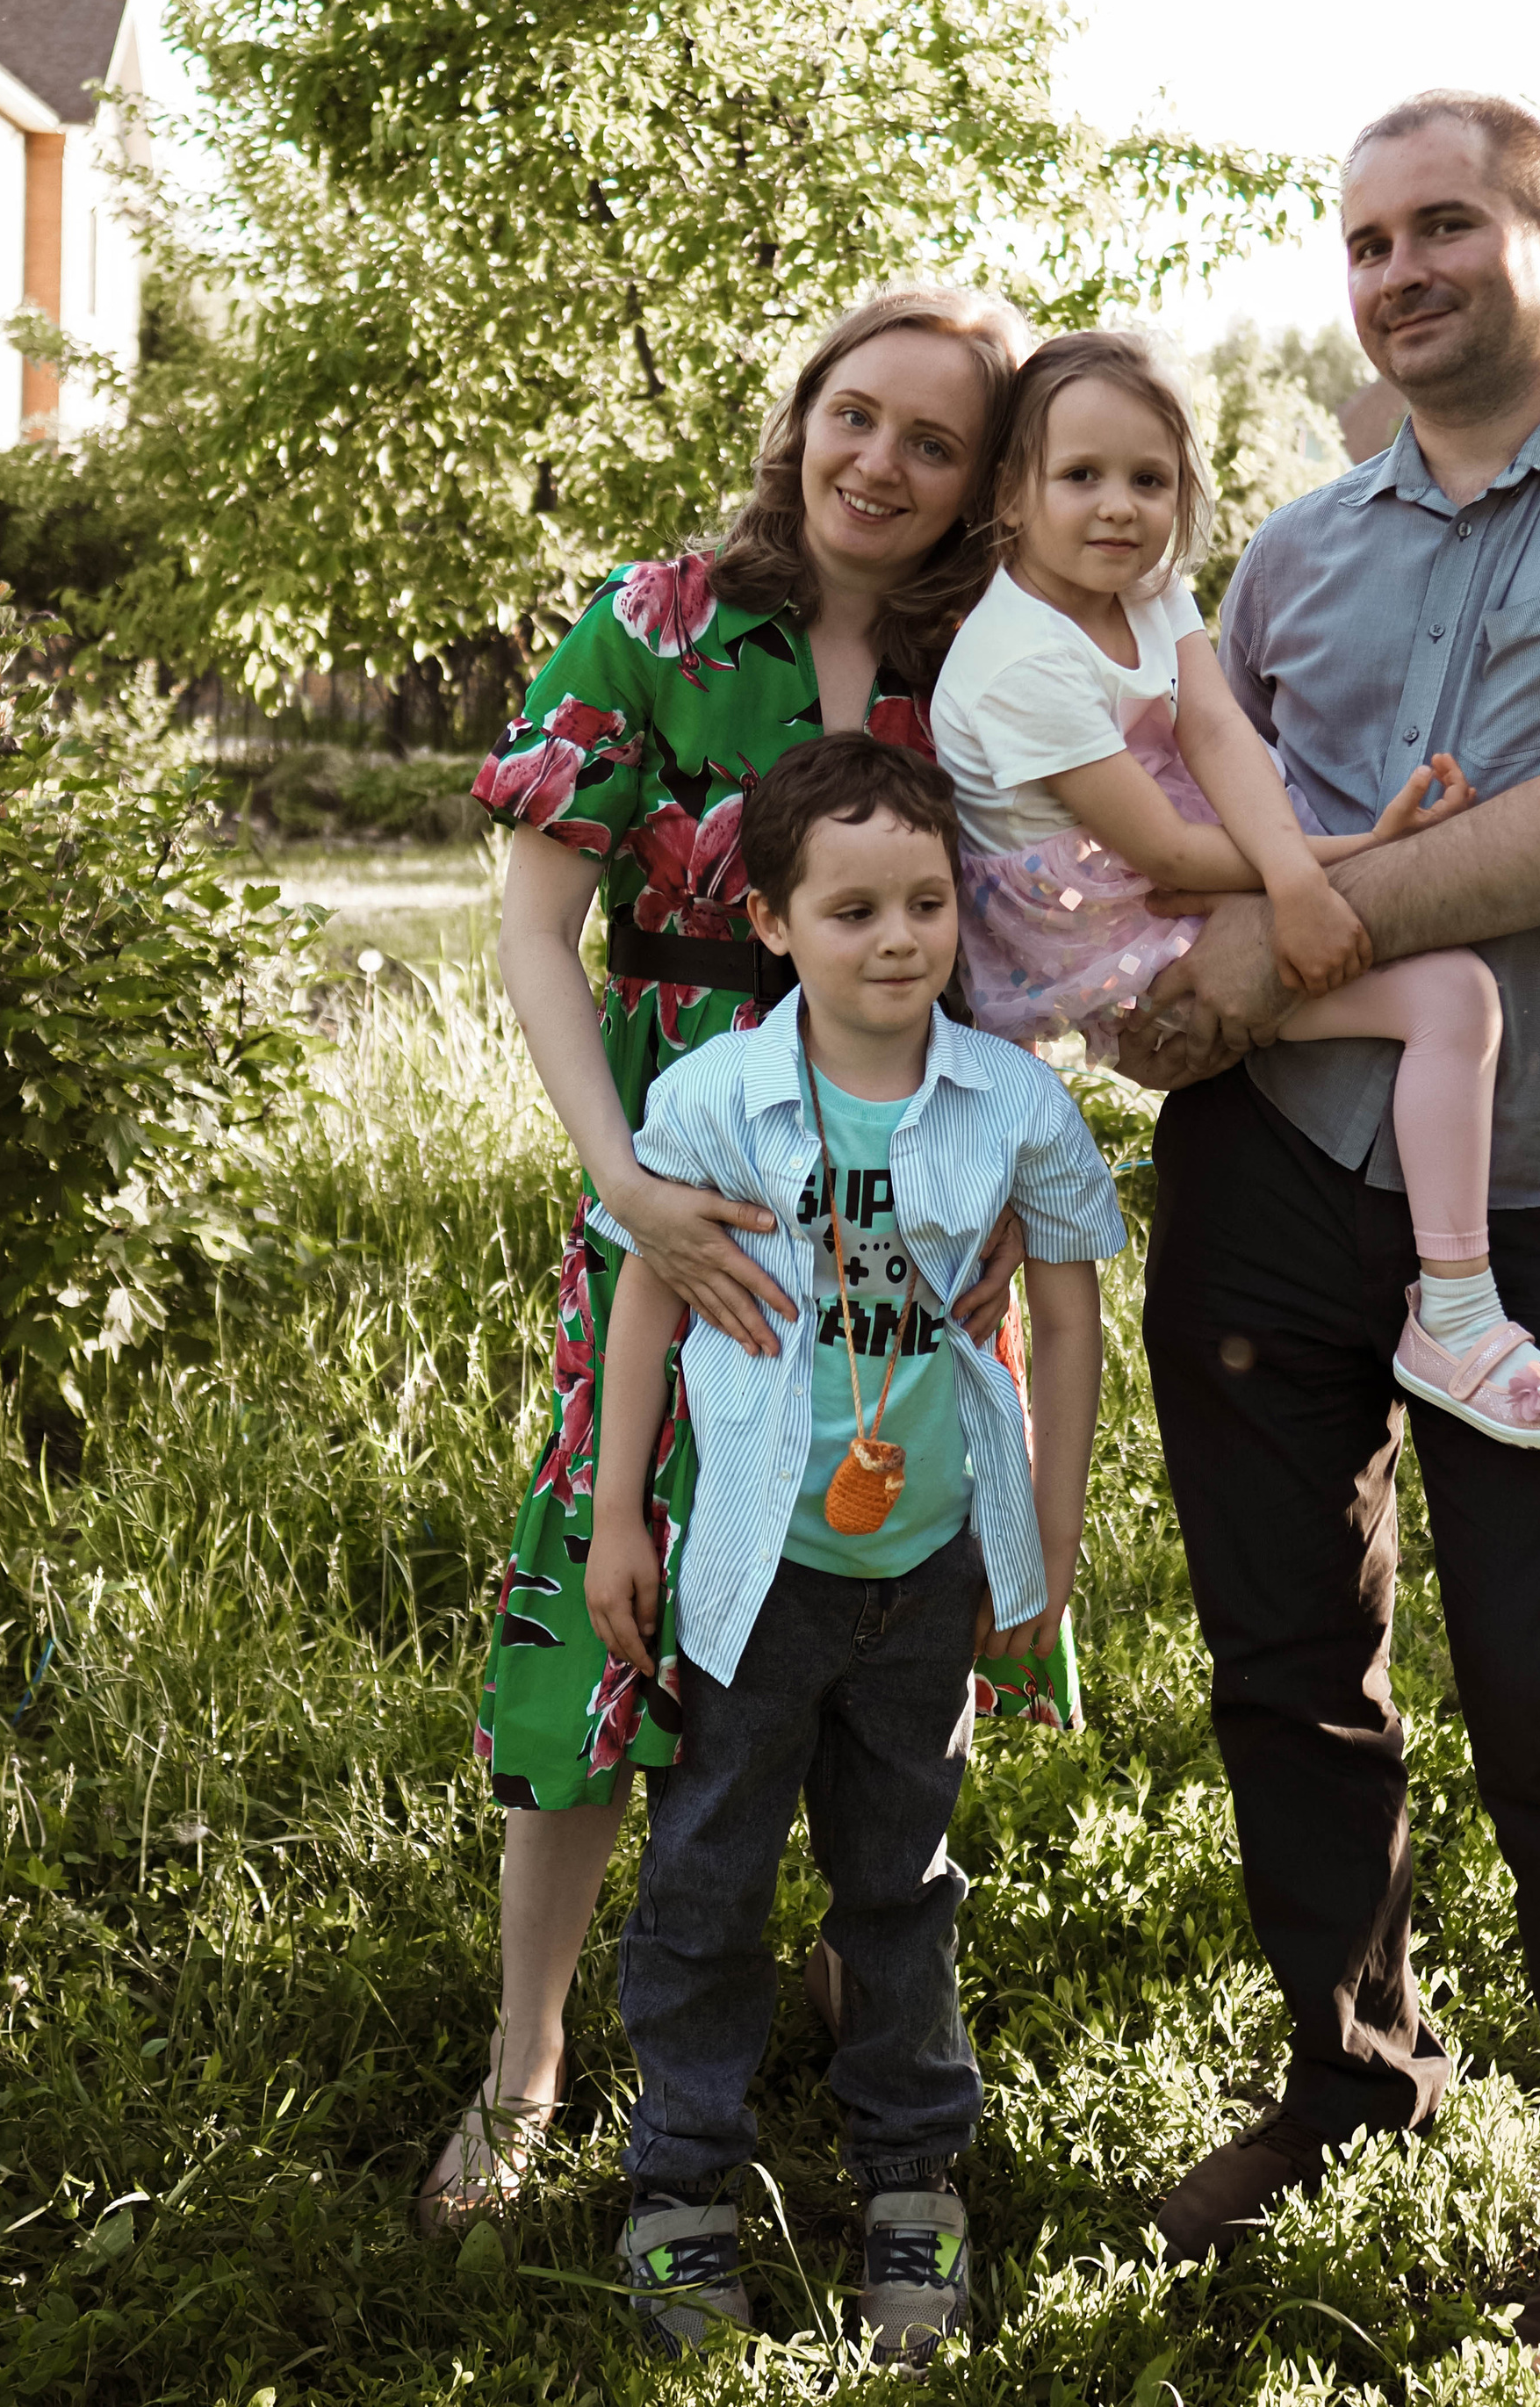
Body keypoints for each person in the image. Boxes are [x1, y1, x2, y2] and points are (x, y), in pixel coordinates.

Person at [1122, 92, 1540, 2372]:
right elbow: (1194, 833)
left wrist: (1278, 947)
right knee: (1287, 1668)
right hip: (1263, 1187)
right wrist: (1160, 974)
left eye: (1442, 228)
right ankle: (1351, 2071)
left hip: (1536, 1200)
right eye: (1365, 241)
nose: (1397, 270)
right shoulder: (1295, 552)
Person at [418, 284, 1037, 2235]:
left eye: (933, 440)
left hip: (913, 1185)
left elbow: (1065, 921)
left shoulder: (997, 665)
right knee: (609, 1607)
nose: (880, 461)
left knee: (878, 1564)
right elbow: (535, 927)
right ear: (803, 416)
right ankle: (525, 2064)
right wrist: (626, 1189)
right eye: (855, 415)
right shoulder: (660, 620)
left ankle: (868, 1967)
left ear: (977, 481)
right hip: (685, 1166)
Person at [583, 733, 1123, 2359]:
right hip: (756, 1578)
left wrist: (1055, 1530)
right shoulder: (713, 1098)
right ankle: (681, 2186)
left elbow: (1070, 1306)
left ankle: (910, 2178)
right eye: (852, 909)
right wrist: (618, 1510)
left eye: (927, 902)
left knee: (900, 1882)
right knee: (704, 1880)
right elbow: (648, 1295)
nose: (898, 938)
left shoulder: (1010, 1101)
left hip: (929, 1572)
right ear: (770, 922)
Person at [933, 327, 1540, 1447]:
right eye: (1080, 476)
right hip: (1103, 937)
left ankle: (1449, 1301)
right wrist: (1337, 864)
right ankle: (1454, 1313)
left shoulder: (1142, 585)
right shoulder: (1017, 660)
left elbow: (1217, 731)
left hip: (1175, 876)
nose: (1118, 507)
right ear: (1013, 491)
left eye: (1148, 480)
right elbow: (1169, 859)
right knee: (1453, 1000)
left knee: (1443, 993)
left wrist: (1321, 857)